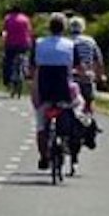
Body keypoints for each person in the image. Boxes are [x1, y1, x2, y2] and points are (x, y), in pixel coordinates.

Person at [31, 13, 77, 169]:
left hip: (45, 89)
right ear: (64, 28)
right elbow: (76, 66)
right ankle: (69, 142)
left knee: (41, 125)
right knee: (73, 112)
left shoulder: (39, 43)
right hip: (63, 90)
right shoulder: (70, 45)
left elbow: (33, 66)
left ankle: (43, 156)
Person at [68, 15, 104, 110]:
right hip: (87, 77)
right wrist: (99, 76)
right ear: (83, 27)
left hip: (70, 78)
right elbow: (98, 60)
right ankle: (89, 118)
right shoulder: (90, 41)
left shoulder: (66, 41)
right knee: (89, 101)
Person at [1, 6, 33, 97]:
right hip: (24, 44)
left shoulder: (8, 18)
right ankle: (25, 72)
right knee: (25, 58)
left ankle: (7, 80)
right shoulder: (25, 19)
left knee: (8, 61)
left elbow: (4, 31)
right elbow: (29, 31)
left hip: (11, 44)